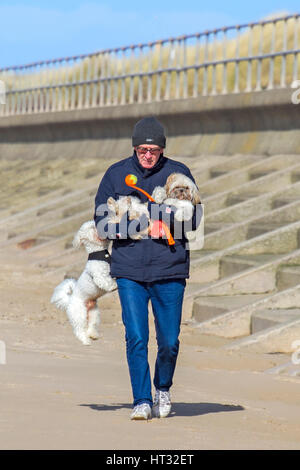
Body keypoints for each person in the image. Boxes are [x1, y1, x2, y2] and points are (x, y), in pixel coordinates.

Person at [94, 116, 202, 420]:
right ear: (134, 147)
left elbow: (194, 220)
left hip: (171, 270)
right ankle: (141, 400)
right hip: (129, 270)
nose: (148, 155)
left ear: (163, 149)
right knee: (136, 336)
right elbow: (102, 223)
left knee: (169, 341)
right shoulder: (116, 176)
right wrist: (142, 223)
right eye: (142, 149)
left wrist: (164, 218)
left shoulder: (179, 175)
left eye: (154, 149)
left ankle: (162, 388)